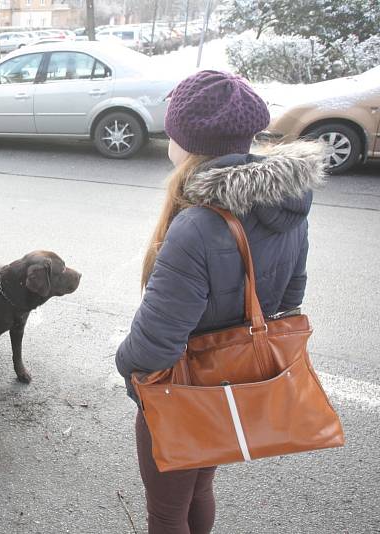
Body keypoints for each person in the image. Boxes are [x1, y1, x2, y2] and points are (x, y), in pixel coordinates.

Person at [115, 70, 325, 533]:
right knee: (200, 488)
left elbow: (154, 346)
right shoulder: (288, 198)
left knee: (168, 511)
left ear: (185, 142)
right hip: (233, 382)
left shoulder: (196, 225)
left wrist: (131, 376)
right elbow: (290, 295)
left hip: (184, 388)